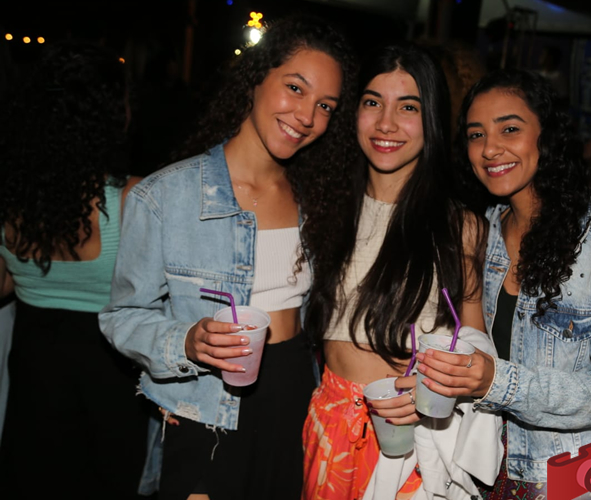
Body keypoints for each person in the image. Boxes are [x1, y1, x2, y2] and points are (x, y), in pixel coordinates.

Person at [98, 16, 357, 500]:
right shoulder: (166, 195)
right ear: (256, 78)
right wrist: (186, 341)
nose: (306, 116)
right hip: (207, 402)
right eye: (295, 88)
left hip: (295, 394)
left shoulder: (319, 197)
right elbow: (122, 316)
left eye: (325, 106)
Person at [419, 69, 591, 499]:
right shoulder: (483, 231)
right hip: (494, 465)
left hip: (577, 476)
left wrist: (499, 382)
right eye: (476, 135)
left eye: (509, 128)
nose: (490, 148)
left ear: (547, 137)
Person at [301, 42, 488, 500]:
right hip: (329, 426)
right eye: (372, 103)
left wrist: (438, 389)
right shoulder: (323, 210)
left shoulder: (460, 227)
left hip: (411, 439)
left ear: (433, 120)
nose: (386, 123)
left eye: (408, 107)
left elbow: (476, 345)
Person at [0, 42, 148, 498]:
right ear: (112, 116)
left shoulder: (11, 198)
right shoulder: (133, 197)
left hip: (34, 377)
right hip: (109, 379)